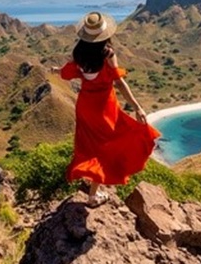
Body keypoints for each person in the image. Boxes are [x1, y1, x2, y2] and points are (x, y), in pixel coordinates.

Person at [53, 11, 161, 207]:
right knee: (108, 146)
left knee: (90, 145)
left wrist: (55, 70)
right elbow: (119, 83)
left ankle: (93, 182)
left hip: (85, 106)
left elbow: (70, 72)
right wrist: (137, 107)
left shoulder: (78, 53)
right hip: (104, 107)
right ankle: (93, 195)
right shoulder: (108, 54)